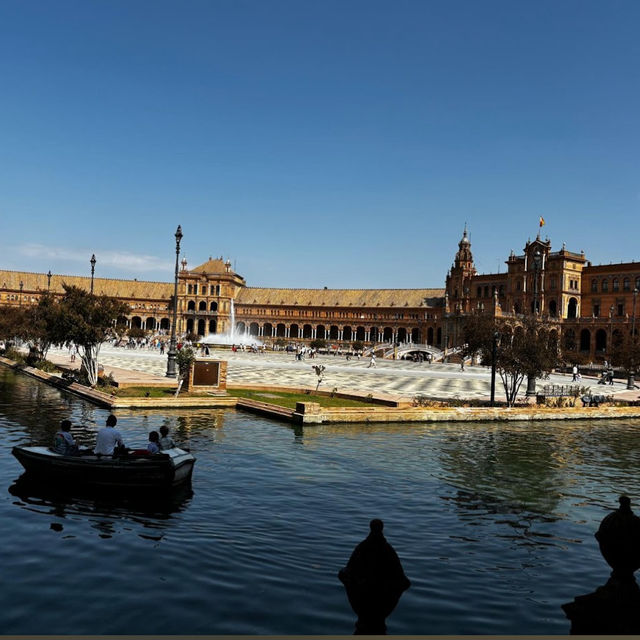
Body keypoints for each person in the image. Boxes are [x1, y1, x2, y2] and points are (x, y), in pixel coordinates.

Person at [338, 519, 411, 634]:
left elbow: (345, 573)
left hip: (364, 599)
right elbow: (403, 581)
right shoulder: (388, 550)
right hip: (382, 600)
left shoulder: (361, 548)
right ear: (382, 529)